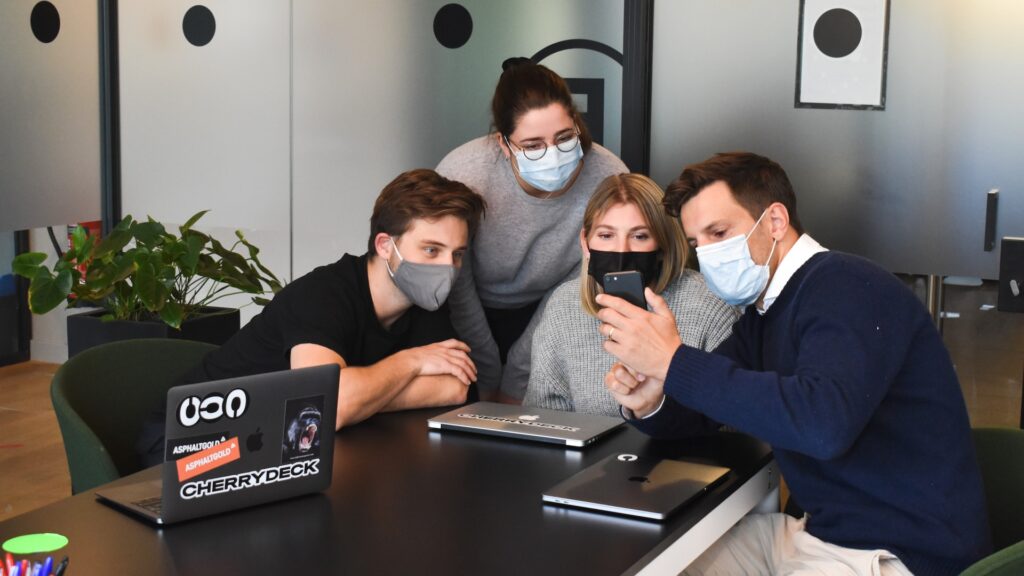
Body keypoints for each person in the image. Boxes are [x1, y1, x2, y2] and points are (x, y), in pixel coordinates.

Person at [597, 152, 991, 575]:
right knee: (651, 565)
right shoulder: (765, 312)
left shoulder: (849, 286)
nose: (708, 254)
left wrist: (673, 361)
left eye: (719, 232)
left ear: (775, 222)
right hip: (817, 536)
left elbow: (822, 425)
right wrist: (651, 400)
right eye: (697, 243)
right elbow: (702, 408)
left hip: (898, 552)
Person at [138, 169, 486, 465]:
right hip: (194, 443)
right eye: (431, 250)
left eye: (456, 255)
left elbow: (455, 387)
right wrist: (410, 364)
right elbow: (324, 406)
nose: (447, 268)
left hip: (276, 448)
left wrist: (359, 400)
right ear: (384, 245)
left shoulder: (425, 303)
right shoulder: (324, 294)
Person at [437, 58, 627, 402]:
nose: (553, 154)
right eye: (533, 145)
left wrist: (518, 377)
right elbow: (454, 280)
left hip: (555, 306)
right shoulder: (465, 175)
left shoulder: (607, 178)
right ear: (502, 143)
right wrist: (489, 372)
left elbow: (580, 279)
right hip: (467, 305)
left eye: (565, 137)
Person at [523, 173, 738, 416]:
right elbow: (543, 415)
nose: (622, 251)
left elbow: (733, 425)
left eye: (639, 236)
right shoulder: (564, 305)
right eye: (606, 235)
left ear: (662, 243)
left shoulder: (709, 305)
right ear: (585, 241)